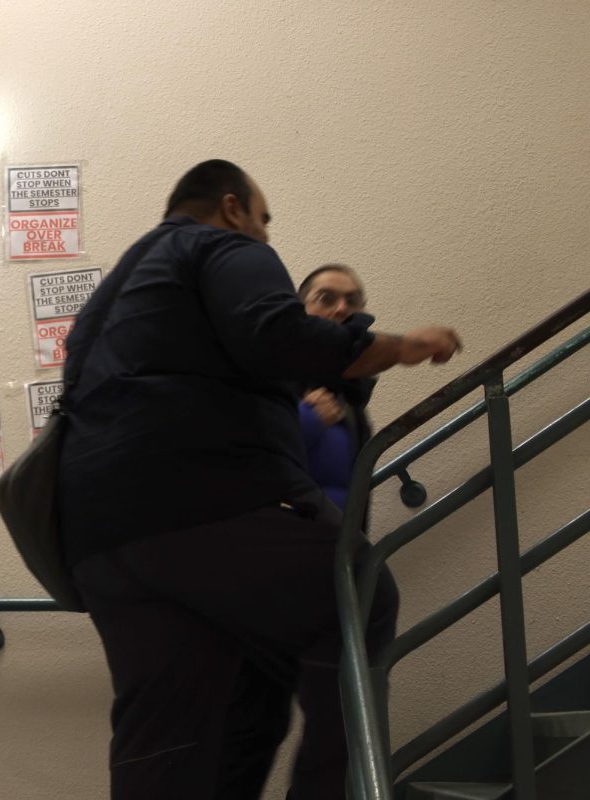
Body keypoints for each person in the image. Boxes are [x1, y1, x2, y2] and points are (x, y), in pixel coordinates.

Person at [57, 160, 461, 799]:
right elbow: (277, 336)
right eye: (263, 219)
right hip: (198, 504)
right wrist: (402, 344)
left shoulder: (113, 296)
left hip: (100, 540)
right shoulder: (220, 244)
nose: (266, 237)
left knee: (183, 724)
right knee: (359, 592)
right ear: (232, 207)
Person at [297, 264, 376, 512]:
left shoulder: (352, 396)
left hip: (338, 544)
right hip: (275, 542)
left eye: (352, 301)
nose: (341, 308)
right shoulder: (266, 374)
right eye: (326, 298)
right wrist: (307, 420)